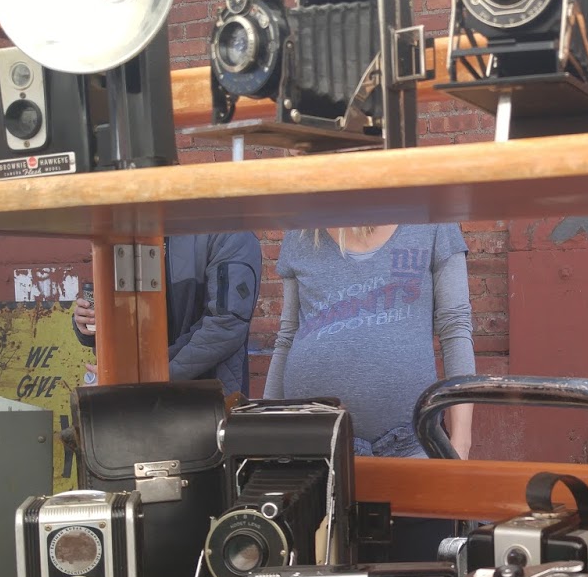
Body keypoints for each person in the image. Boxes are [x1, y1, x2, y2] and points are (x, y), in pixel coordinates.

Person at [265, 223, 476, 558]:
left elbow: (455, 327)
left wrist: (458, 446)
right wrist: (266, 434)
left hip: (412, 448)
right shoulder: (303, 232)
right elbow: (288, 334)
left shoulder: (432, 223)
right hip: (315, 455)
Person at [73, 233, 263, 394]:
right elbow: (123, 314)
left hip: (205, 399)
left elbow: (226, 326)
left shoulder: (231, 233)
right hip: (136, 393)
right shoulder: (132, 229)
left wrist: (147, 376)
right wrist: (88, 323)